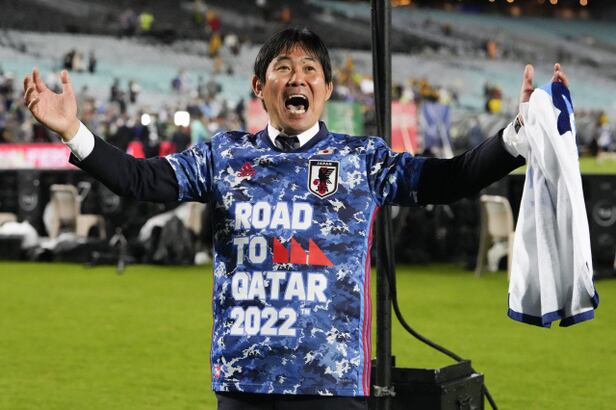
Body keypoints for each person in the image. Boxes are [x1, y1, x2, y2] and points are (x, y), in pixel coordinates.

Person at [23, 28, 569, 410]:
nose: (297, 77)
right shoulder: (224, 156)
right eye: (282, 67)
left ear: (327, 89)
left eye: (310, 69)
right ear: (259, 87)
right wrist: (74, 132)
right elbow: (140, 180)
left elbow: (448, 179)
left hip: (332, 383)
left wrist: (513, 139)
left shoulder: (361, 159)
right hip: (245, 380)